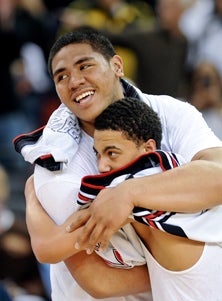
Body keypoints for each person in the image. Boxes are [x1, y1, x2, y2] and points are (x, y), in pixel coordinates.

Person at [13, 27, 222, 300]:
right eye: (61, 76)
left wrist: (128, 194)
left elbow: (217, 176)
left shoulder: (173, 112)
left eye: (84, 65)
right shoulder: (54, 161)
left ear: (117, 66)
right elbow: (99, 280)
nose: (74, 81)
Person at [74, 96, 222, 300]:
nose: (101, 166)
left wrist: (35, 198)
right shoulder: (185, 177)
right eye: (98, 155)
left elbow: (93, 278)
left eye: (112, 153)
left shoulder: (129, 198)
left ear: (148, 150)